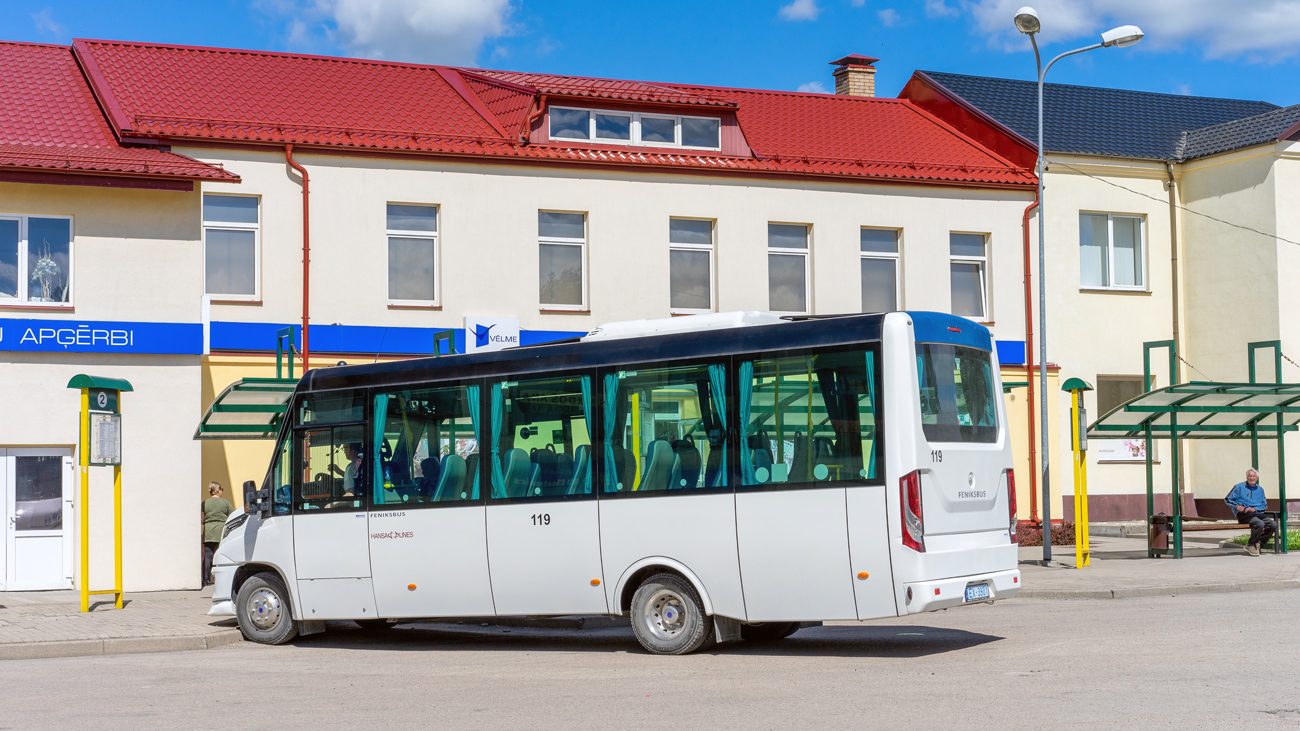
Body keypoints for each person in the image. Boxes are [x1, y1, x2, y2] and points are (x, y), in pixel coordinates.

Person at [1225, 468, 1277, 556]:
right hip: (1243, 514)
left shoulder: (1260, 490)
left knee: (1273, 524)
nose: (1251, 478)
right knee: (1259, 523)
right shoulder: (1239, 487)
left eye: (1254, 476)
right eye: (1250, 476)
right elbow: (1227, 499)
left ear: (1257, 478)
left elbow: (1264, 506)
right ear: (1247, 477)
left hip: (1256, 513)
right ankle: (1250, 545)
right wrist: (1237, 506)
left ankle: (1257, 542)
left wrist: (1254, 509)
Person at [201, 481, 234, 586]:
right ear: (219, 490)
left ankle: (205, 579)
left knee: (208, 556)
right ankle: (222, 579)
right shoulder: (225, 502)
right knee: (222, 554)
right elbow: (232, 516)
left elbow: (201, 520)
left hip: (209, 531)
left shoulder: (205, 503)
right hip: (221, 531)